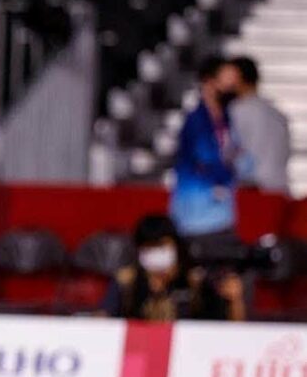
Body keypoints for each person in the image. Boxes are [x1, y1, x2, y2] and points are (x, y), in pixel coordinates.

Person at [100, 214, 245, 321]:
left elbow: (228, 331)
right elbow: (103, 320)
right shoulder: (126, 281)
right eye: (149, 249)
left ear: (175, 246)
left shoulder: (195, 281)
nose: (156, 254)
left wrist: (235, 302)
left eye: (162, 246)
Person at [171, 56, 238, 241]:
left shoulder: (227, 120)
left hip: (223, 213)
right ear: (209, 82)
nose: (232, 86)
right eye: (227, 80)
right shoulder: (196, 121)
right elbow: (206, 158)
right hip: (196, 215)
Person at [218, 56, 291, 194]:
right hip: (279, 189)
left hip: (252, 192)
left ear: (237, 78)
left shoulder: (236, 111)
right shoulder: (278, 114)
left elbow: (228, 151)